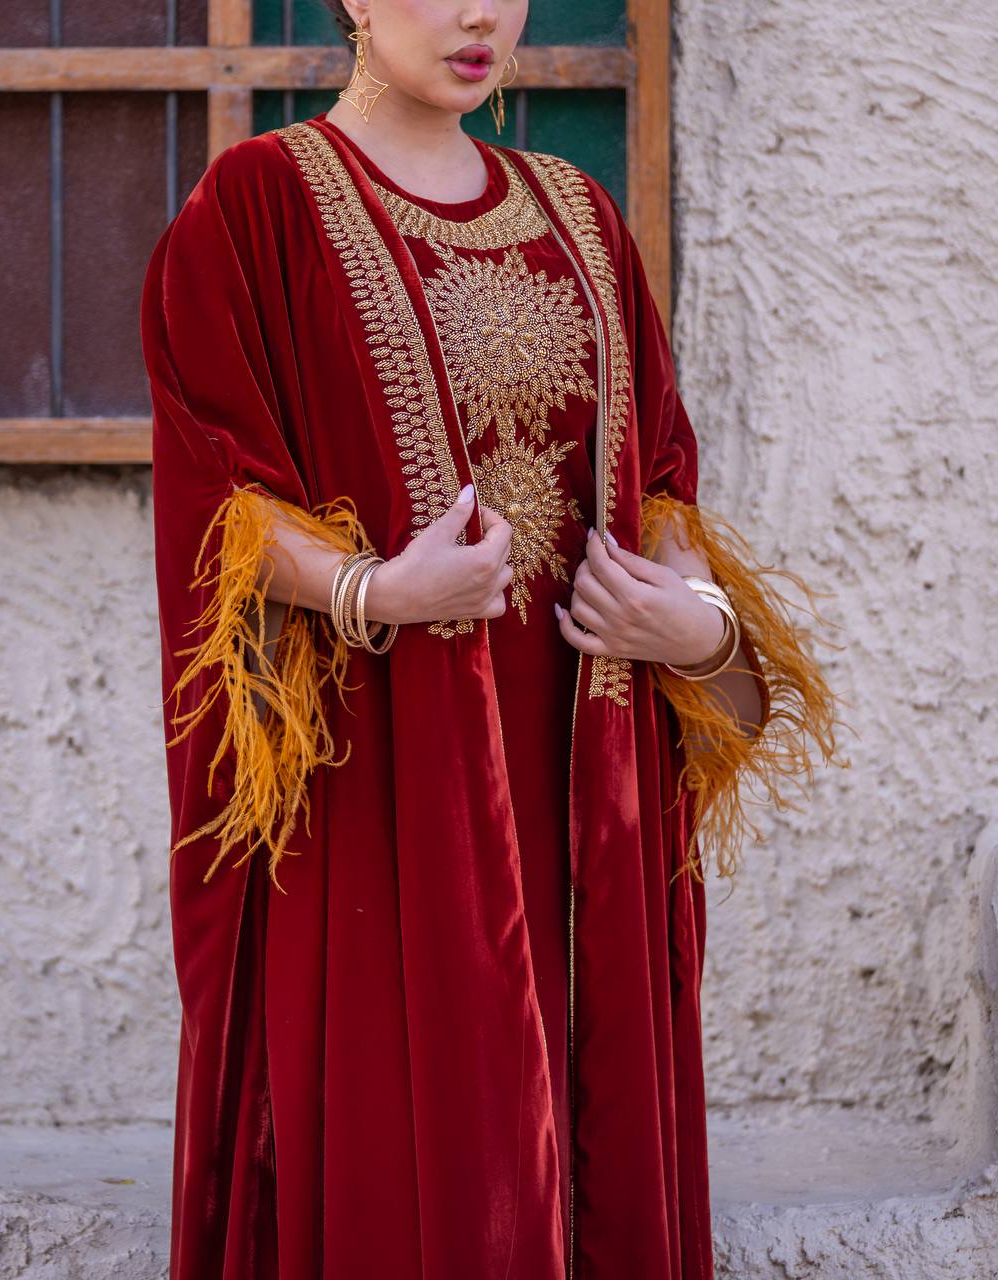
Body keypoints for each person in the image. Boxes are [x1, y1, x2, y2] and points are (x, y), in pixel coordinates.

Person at [140, 2, 840, 1276]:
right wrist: (372, 592)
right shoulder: (255, 207)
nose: (482, 15)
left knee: (589, 1156)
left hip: (589, 796)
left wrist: (692, 628)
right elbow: (215, 495)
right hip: (381, 798)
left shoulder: (579, 214)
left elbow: (661, 490)